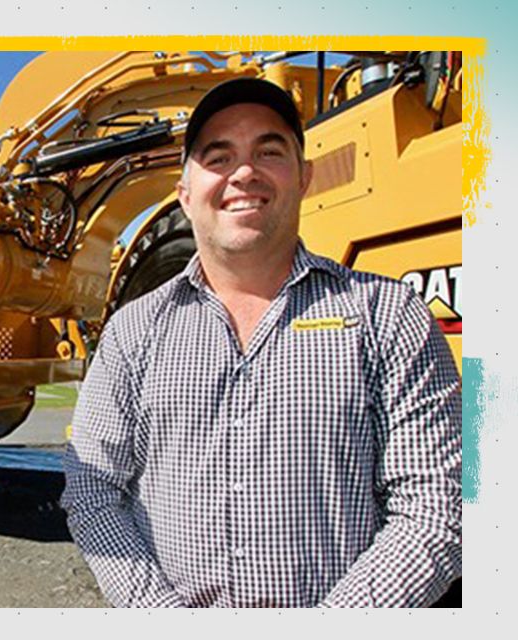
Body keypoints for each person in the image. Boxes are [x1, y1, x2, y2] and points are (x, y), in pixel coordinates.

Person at [61, 78, 462, 608]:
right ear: (184, 193)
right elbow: (93, 491)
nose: (243, 172)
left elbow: (438, 506)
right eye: (218, 156)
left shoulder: (388, 315)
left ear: (305, 178)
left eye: (269, 151)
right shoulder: (132, 333)